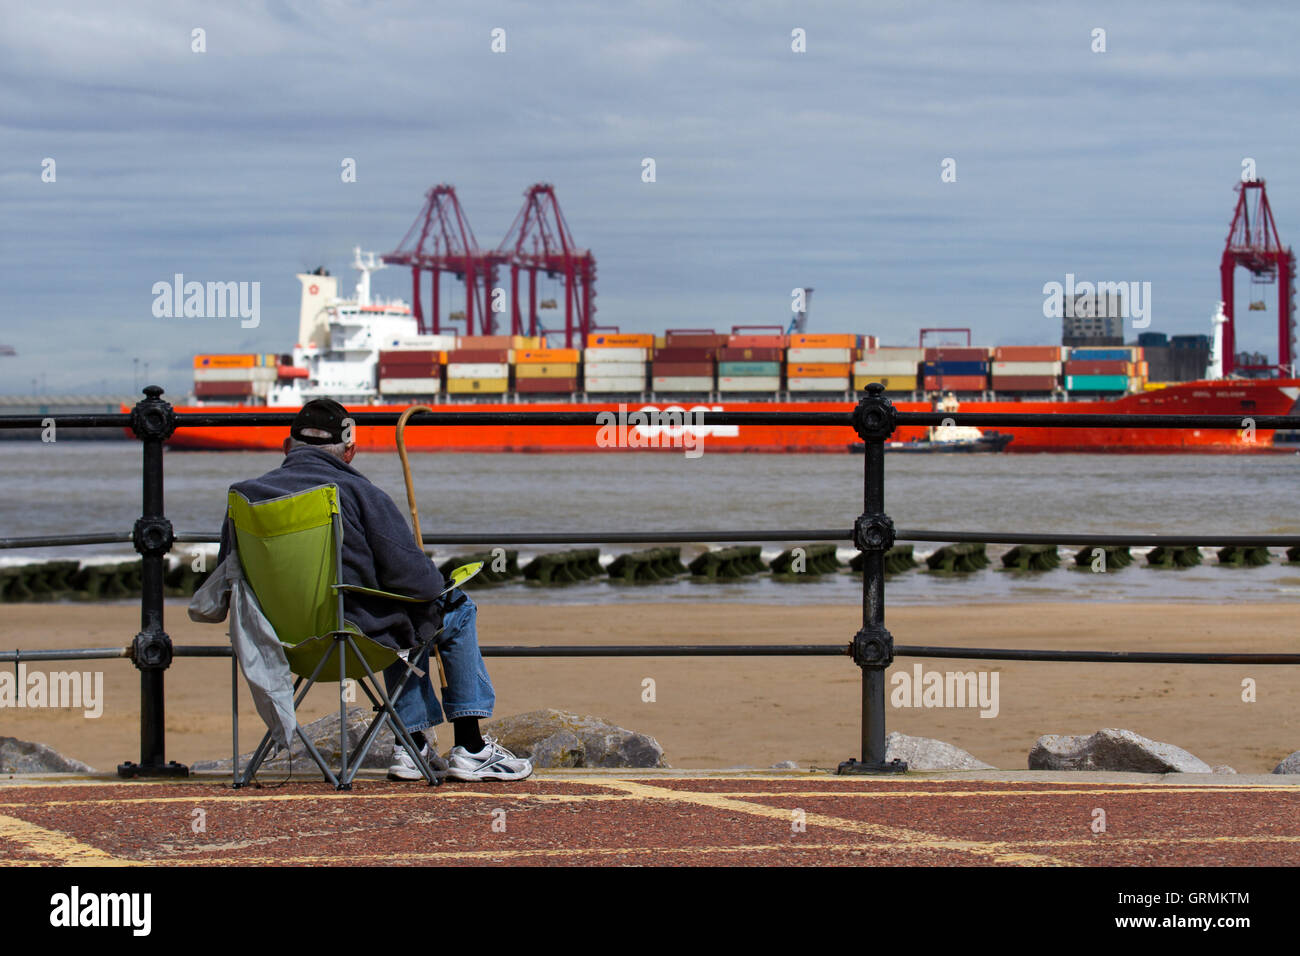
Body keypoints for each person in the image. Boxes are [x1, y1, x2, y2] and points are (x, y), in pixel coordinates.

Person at [217, 398, 532, 783]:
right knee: (447, 607)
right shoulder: (357, 492)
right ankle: (470, 746)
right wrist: (437, 585)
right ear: (350, 452)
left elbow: (227, 576)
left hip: (275, 646)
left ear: (287, 447)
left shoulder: (244, 497)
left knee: (402, 614)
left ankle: (412, 745)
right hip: (350, 642)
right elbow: (420, 581)